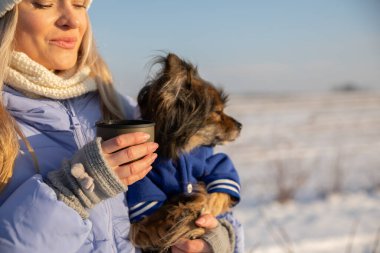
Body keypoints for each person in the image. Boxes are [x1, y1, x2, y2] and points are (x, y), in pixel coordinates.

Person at [0, 0, 238, 252]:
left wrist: (215, 240)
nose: (72, 20)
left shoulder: (123, 111)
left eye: (80, 4)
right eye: (44, 3)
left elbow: (192, 189)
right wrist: (74, 191)